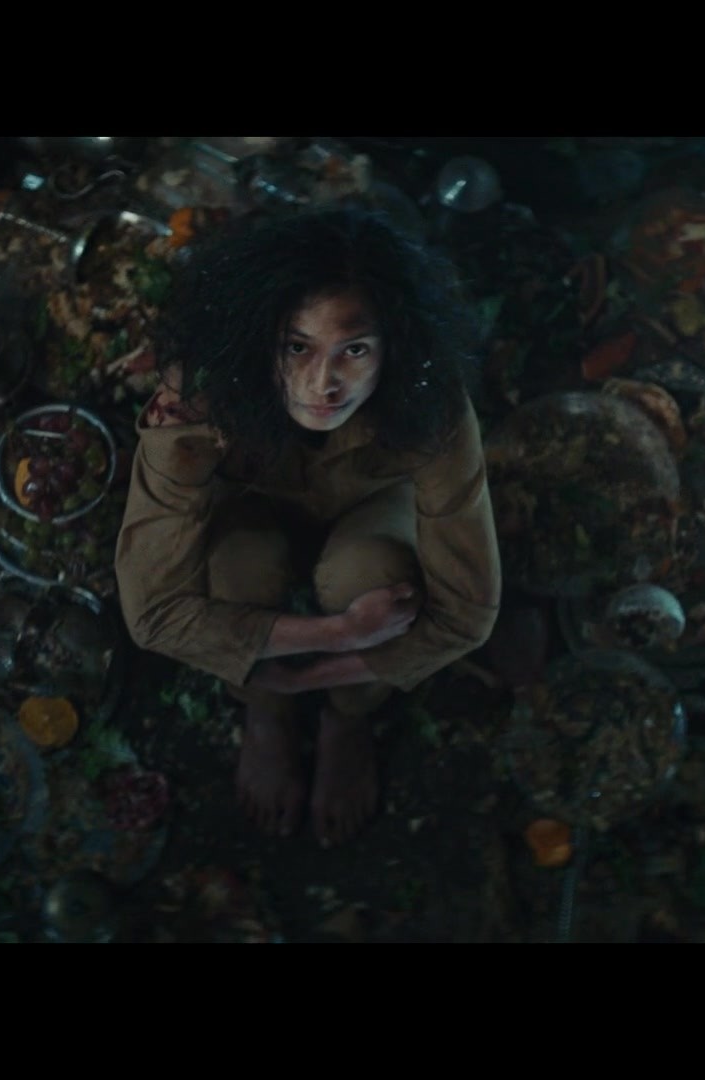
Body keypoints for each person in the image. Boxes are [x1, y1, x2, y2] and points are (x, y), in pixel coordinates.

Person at [115, 202, 501, 848]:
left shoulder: (429, 402)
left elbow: (468, 613)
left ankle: (347, 720)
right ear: (261, 335)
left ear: (395, 344)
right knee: (237, 571)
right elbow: (153, 612)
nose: (324, 383)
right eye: (298, 347)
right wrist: (335, 637)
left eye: (355, 350)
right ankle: (264, 716)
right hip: (254, 514)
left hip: (372, 509)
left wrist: (318, 676)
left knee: (370, 576)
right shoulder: (200, 393)